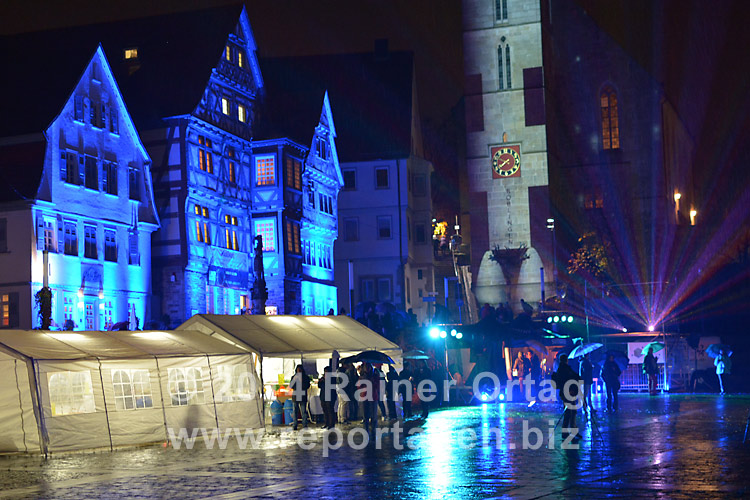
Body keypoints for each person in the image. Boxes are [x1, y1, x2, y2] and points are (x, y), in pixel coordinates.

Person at [552, 354, 582, 441]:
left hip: (566, 393)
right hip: (568, 393)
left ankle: (569, 432)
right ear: (566, 360)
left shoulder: (561, 369)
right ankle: (567, 432)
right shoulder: (564, 369)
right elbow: (572, 377)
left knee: (570, 412)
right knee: (570, 412)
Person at [289, 364, 310, 430]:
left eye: (300, 370)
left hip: (302, 396)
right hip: (295, 396)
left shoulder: (305, 377)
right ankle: (295, 424)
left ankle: (304, 424)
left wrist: (301, 381)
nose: (299, 371)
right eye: (298, 370)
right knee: (295, 411)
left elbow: (307, 386)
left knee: (303, 411)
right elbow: (291, 386)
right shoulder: (293, 377)